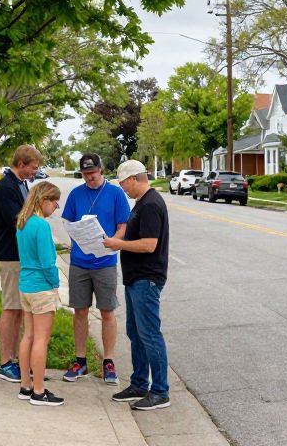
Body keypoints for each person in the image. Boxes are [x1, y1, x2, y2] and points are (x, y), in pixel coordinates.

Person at [103, 159, 170, 411]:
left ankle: (161, 391)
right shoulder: (141, 204)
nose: (123, 189)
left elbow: (149, 244)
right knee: (136, 332)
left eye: (123, 184)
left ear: (133, 179)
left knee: (150, 334)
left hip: (147, 278)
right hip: (135, 278)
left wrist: (118, 244)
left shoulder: (151, 204)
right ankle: (139, 383)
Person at [61, 153, 131, 385]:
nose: (89, 178)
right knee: (79, 310)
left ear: (101, 170)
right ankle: (80, 361)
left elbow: (123, 226)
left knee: (107, 311)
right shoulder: (76, 194)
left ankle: (108, 362)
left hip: (105, 262)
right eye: (85, 174)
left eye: (92, 174)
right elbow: (68, 223)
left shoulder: (115, 193)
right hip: (80, 262)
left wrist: (114, 241)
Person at [0, 144, 42, 384]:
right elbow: (17, 221)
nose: (34, 173)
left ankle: (16, 359)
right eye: (32, 168)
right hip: (10, 255)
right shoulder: (6, 187)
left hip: (22, 255)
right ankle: (5, 363)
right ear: (21, 164)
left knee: (21, 310)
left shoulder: (21, 185)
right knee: (11, 308)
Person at [16, 181, 65, 407]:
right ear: (44, 201)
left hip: (25, 285)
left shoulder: (22, 223)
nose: (56, 207)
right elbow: (48, 263)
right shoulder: (42, 226)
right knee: (41, 340)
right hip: (41, 287)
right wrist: (56, 285)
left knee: (28, 336)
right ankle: (39, 391)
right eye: (54, 202)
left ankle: (25, 385)